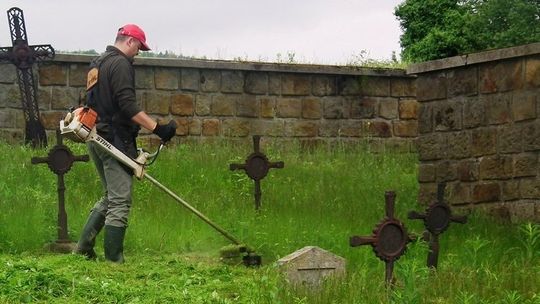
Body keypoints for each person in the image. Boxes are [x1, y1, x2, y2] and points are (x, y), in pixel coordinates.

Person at [74, 24, 176, 263]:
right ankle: (113, 262)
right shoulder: (120, 64)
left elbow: (91, 100)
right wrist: (159, 128)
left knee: (111, 195)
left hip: (95, 136)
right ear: (129, 41)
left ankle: (83, 248)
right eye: (139, 47)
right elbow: (127, 106)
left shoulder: (97, 63)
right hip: (114, 140)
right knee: (120, 200)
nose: (139, 53)